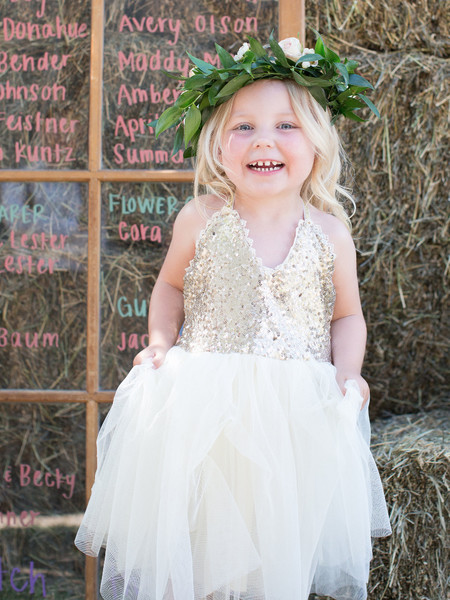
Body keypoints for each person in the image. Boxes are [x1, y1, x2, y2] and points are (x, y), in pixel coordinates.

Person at [75, 35, 392, 600]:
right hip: (206, 409)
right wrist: (158, 341)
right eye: (243, 127)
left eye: (286, 126)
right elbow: (170, 285)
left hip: (292, 417)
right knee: (197, 547)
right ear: (218, 147)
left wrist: (348, 371)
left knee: (276, 547)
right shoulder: (202, 217)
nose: (263, 140)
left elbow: (347, 317)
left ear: (317, 145)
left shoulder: (329, 233)